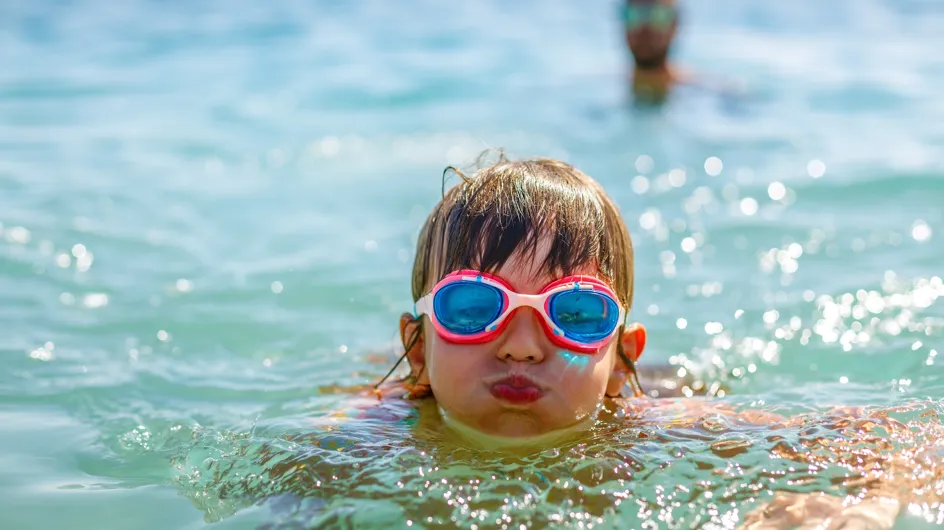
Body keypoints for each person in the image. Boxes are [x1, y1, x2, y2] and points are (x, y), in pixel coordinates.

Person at [622, 0, 687, 103]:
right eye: (633, 14)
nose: (643, 27)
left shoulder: (703, 90)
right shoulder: (604, 85)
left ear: (675, 24)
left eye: (658, 15)